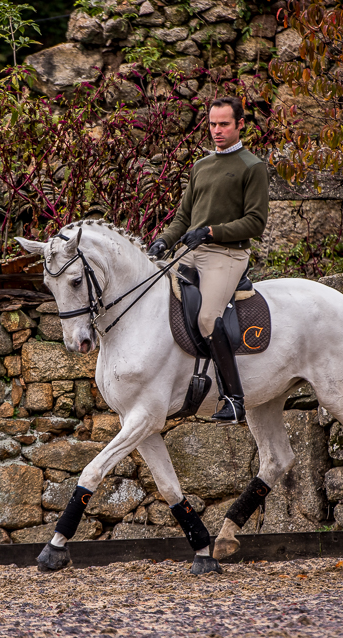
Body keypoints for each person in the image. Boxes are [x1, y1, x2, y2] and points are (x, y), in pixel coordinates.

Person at [147, 96, 269, 422]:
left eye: (224, 124)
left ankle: (234, 399)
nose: (216, 130)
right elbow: (183, 218)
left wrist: (212, 232)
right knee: (154, 298)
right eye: (212, 124)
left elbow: (256, 222)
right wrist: (163, 240)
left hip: (227, 254)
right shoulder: (200, 166)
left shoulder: (252, 167)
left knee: (207, 318)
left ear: (240, 124)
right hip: (192, 251)